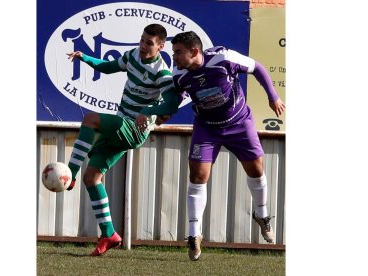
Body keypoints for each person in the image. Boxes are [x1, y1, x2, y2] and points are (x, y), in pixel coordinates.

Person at [170, 31, 285, 261]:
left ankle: (262, 215)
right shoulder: (179, 73)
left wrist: (273, 96)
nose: (174, 57)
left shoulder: (223, 58)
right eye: (173, 52)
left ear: (194, 51)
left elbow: (258, 68)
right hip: (207, 128)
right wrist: (159, 113)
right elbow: (174, 97)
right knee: (198, 175)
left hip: (240, 123)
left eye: (178, 52)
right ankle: (194, 234)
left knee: (256, 169)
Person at [66, 23, 178, 256]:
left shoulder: (162, 72)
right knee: (93, 177)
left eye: (149, 43)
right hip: (122, 124)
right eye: (142, 40)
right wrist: (85, 57)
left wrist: (150, 112)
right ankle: (109, 234)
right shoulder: (132, 56)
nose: (144, 46)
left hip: (135, 131)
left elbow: (171, 101)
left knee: (90, 119)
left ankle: (69, 173)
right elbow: (107, 67)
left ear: (161, 46)